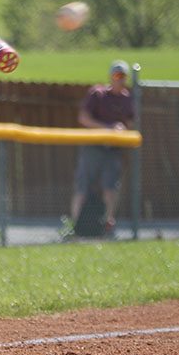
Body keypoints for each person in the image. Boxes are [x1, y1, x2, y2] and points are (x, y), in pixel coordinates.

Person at [70, 60, 135, 237]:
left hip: (113, 150)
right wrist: (107, 128)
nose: (119, 79)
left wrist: (122, 128)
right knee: (82, 187)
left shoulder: (127, 99)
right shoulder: (98, 94)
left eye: (122, 76)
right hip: (93, 147)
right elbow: (83, 118)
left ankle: (107, 225)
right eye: (116, 75)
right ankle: (75, 226)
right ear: (110, 76)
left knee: (110, 188)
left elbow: (129, 123)